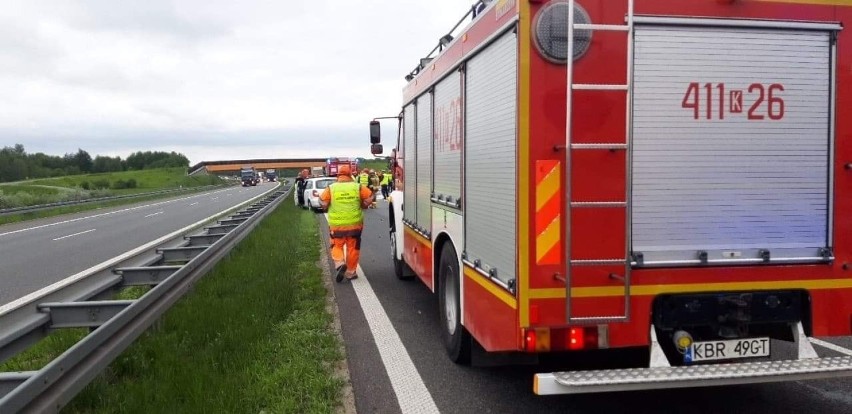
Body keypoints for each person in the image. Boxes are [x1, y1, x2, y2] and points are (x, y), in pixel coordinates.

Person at [320, 164, 374, 282]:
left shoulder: (331, 188)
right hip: (355, 225)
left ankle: (339, 264)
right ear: (350, 175)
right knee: (353, 248)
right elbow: (370, 196)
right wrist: (364, 204)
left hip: (337, 226)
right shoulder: (357, 187)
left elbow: (323, 202)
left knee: (336, 245)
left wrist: (325, 206)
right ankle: (350, 272)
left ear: (338, 175)